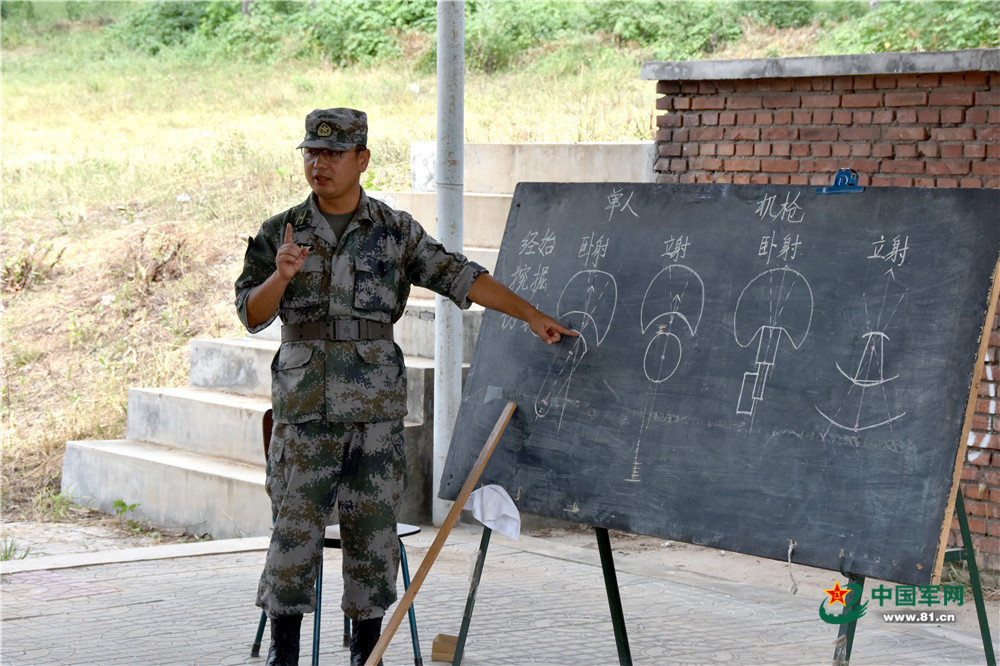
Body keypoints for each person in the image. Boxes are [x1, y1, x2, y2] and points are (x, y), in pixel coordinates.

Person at [235, 108, 576, 666]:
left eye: (333, 154)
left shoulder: (394, 232)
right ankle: (283, 656)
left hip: (374, 416)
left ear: (362, 159)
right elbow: (251, 314)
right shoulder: (282, 232)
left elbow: (459, 276)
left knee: (372, 543)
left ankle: (367, 657)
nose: (319, 164)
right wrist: (282, 275)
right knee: (292, 541)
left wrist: (530, 315)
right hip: (306, 414)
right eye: (311, 154)